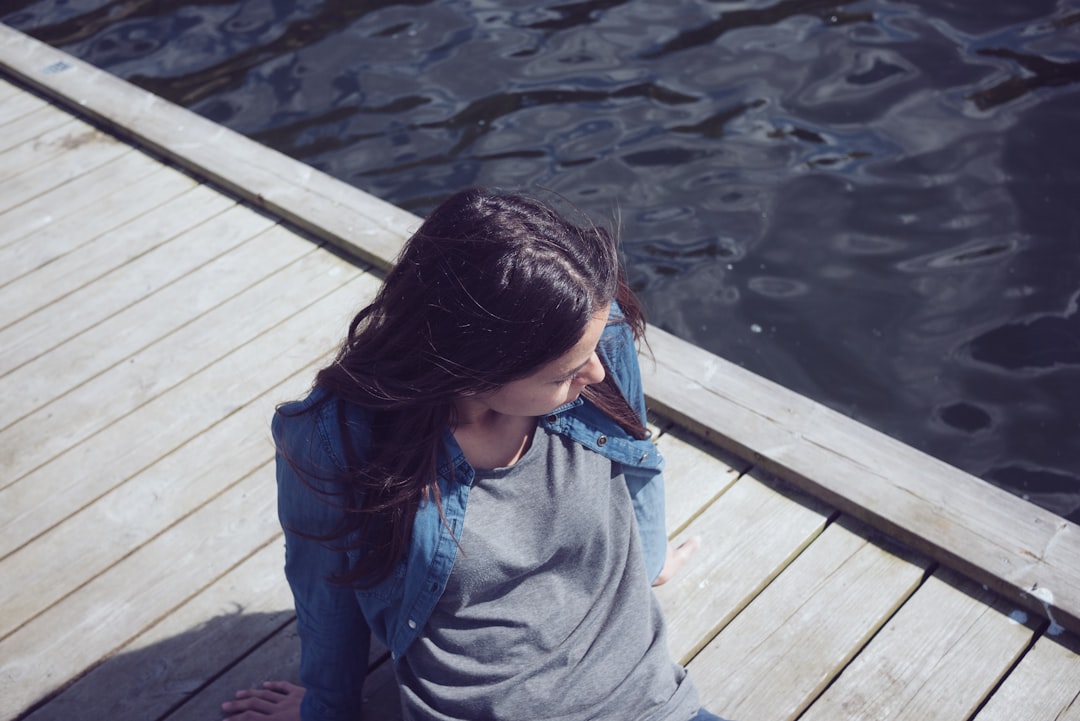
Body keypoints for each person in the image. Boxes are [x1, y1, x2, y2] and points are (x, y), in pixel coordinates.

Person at [221, 188, 726, 721]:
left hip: (648, 701)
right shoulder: (337, 438)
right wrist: (327, 708)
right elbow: (327, 588)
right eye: (562, 374)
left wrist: (647, 557)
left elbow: (635, 455)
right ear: (470, 368)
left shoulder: (593, 333)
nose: (597, 374)